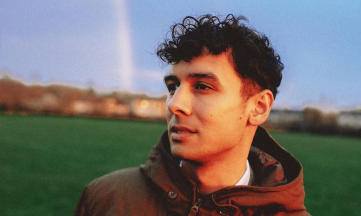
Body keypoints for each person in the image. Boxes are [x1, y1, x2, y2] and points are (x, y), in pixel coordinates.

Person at [74, 14, 310, 216]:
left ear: (258, 107)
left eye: (202, 87)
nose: (174, 105)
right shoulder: (107, 198)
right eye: (172, 87)